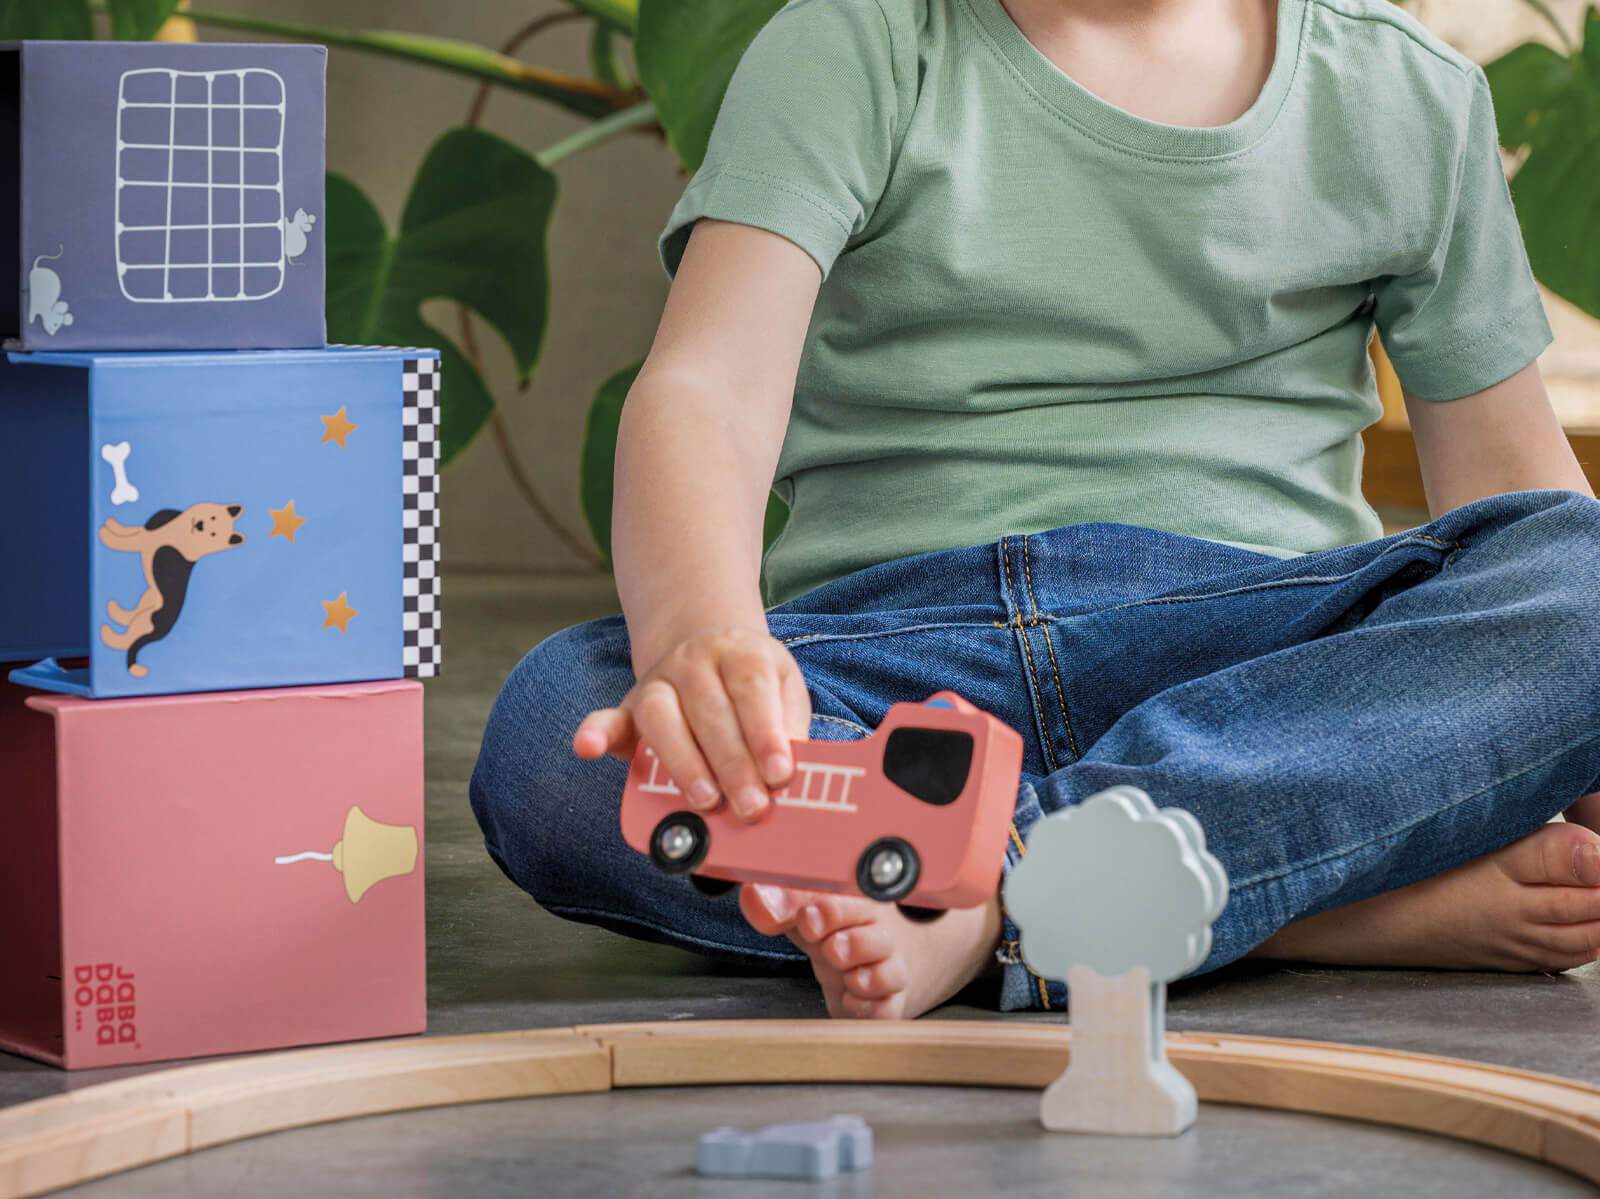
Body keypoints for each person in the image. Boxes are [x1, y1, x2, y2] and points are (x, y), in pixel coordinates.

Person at [472, 0, 1600, 1020]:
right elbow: (706, 384)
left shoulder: (1404, 91)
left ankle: (989, 891)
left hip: (1258, 654)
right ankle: (1269, 896)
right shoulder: (856, 44)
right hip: (902, 670)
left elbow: (1514, 488)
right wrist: (699, 634)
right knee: (559, 737)